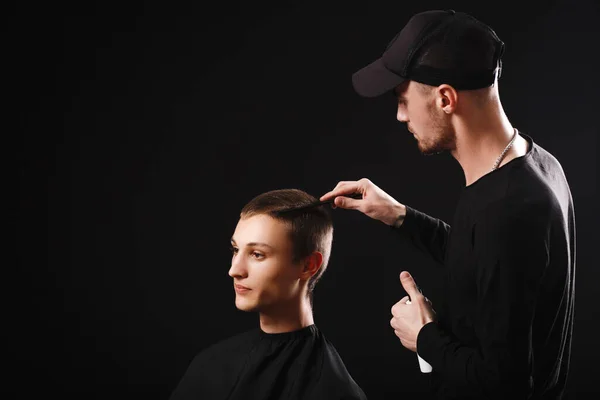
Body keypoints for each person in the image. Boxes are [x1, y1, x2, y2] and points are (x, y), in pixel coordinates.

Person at [320, 9, 575, 400]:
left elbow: (505, 383)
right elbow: (484, 262)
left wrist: (424, 338)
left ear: (444, 98)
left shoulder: (509, 209)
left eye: (403, 99)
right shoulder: (534, 165)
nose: (400, 115)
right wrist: (400, 216)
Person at [169, 189, 368, 400]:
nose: (234, 270)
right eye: (236, 250)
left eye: (257, 254)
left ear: (308, 265)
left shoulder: (334, 391)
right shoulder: (210, 364)